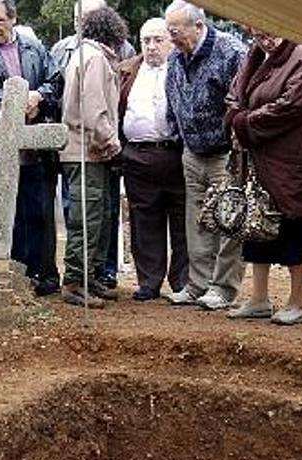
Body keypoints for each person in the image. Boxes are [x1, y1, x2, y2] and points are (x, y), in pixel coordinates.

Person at [0, 0, 62, 297]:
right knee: (0, 217)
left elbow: (55, 83)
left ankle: (36, 277)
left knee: (36, 217)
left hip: (34, 152)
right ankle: (4, 277)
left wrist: (37, 97)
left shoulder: (34, 49)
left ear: (13, 19)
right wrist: (11, 101)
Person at [223, 30, 302, 325]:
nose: (264, 38)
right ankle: (259, 298)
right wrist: (236, 117)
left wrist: (243, 121)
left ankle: (296, 301)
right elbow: (233, 96)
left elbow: (291, 106)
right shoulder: (252, 55)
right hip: (255, 157)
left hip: (291, 157)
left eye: (268, 32)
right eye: (256, 32)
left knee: (296, 223)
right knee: (255, 223)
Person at [164, 0, 246, 309]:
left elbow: (239, 101)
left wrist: (235, 144)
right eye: (170, 31)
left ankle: (223, 287)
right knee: (197, 221)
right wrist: (179, 134)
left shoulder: (230, 51)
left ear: (198, 26)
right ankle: (197, 284)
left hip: (225, 152)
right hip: (192, 151)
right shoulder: (176, 57)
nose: (172, 38)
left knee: (229, 218)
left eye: (176, 31)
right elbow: (172, 99)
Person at [51, 0, 135, 291]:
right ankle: (75, 280)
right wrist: (113, 146)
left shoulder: (85, 54)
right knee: (86, 219)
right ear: (114, 32)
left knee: (93, 217)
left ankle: (87, 275)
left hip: (84, 150)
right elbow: (93, 112)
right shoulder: (95, 59)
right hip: (86, 151)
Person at [117, 18, 187, 301]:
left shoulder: (183, 66)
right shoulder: (128, 70)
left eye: (158, 40)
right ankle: (149, 281)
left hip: (176, 155)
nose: (151, 46)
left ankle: (183, 282)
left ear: (171, 41)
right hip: (137, 156)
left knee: (182, 221)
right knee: (144, 220)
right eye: (146, 40)